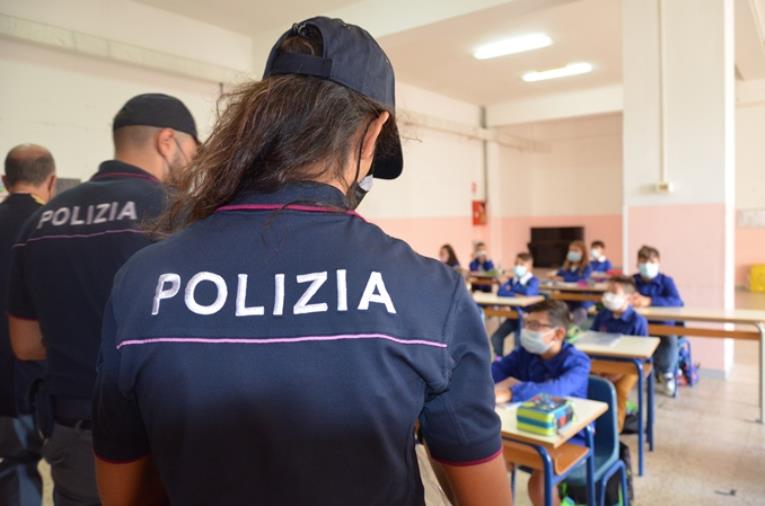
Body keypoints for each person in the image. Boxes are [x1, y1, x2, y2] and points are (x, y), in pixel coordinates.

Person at [91, 18, 512, 506]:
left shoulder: (142, 281)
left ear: (260, 120)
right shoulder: (431, 292)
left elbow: (122, 488)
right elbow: (483, 492)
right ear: (373, 134)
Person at [8, 94, 198, 506]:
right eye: (194, 152)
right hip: (157, 430)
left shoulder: (40, 221)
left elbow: (23, 344)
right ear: (168, 141)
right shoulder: (178, 213)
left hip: (73, 432)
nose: (194, 166)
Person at [492, 300, 590, 506]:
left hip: (569, 436)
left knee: (538, 486)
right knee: (490, 463)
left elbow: (555, 391)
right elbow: (493, 372)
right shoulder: (525, 354)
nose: (526, 330)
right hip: (526, 428)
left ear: (558, 334)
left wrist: (510, 392)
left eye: (535, 326)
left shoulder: (578, 362)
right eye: (526, 324)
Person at [0, 144, 56, 506]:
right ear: (50, 181)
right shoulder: (50, 225)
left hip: (4, 375)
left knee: (13, 465)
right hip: (36, 376)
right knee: (26, 463)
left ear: (5, 180)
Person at [591, 276, 648, 431]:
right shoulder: (602, 315)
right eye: (607, 291)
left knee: (619, 391)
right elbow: (591, 340)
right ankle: (594, 427)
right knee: (591, 385)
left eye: (614, 292)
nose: (608, 295)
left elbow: (640, 355)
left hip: (628, 367)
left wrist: (617, 374)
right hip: (602, 363)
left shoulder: (638, 321)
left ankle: (615, 431)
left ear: (629, 298)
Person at [630, 245, 684, 396]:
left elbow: (676, 301)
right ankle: (634, 371)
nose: (647, 265)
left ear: (658, 263)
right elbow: (625, 296)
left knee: (669, 340)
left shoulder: (666, 281)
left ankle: (666, 374)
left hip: (663, 324)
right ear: (637, 263)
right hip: (639, 324)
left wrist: (650, 300)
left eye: (651, 261)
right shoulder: (632, 281)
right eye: (643, 261)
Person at [489, 252, 539, 357]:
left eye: (522, 264)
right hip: (513, 317)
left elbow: (528, 292)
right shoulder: (513, 280)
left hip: (526, 318)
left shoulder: (533, 280)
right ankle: (500, 361)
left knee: (518, 342)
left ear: (529, 266)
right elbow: (500, 292)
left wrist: (510, 290)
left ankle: (518, 366)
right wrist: (515, 293)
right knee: (496, 337)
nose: (518, 267)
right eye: (516, 264)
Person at [552, 240, 592, 323]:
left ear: (583, 253)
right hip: (565, 300)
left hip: (580, 301)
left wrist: (565, 279)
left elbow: (583, 280)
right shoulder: (565, 267)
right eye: (571, 250)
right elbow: (559, 276)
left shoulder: (587, 267)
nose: (572, 253)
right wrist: (555, 277)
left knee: (578, 318)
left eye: (576, 251)